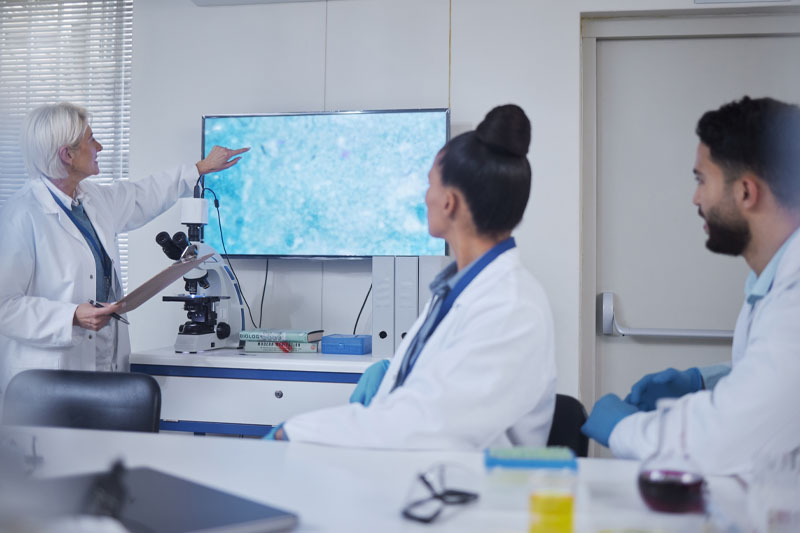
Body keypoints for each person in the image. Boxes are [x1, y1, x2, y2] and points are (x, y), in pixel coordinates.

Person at [267, 104, 557, 450]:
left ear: (449, 202)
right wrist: (398, 370)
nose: (425, 197)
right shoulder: (457, 290)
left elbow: (425, 426)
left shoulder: (510, 306)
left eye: (429, 184)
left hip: (473, 492)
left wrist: (295, 430)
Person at [581, 96, 800, 475]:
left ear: (746, 191)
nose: (695, 198)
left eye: (702, 180)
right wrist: (705, 381)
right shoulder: (774, 279)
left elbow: (724, 440)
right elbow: (778, 384)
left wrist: (622, 428)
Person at [0, 102, 248, 402]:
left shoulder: (90, 200)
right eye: (91, 140)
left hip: (101, 364)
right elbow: (5, 306)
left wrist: (199, 169)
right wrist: (70, 316)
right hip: (46, 380)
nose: (100, 146)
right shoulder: (20, 216)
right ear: (67, 154)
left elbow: (143, 194)